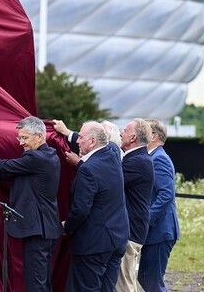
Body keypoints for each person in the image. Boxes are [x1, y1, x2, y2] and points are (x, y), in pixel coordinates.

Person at [0, 116, 63, 292]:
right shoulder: (48, 156)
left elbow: (2, 166)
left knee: (36, 284)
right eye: (20, 138)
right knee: (42, 282)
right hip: (46, 228)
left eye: (24, 138)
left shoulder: (36, 158)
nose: (21, 143)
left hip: (38, 230)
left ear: (39, 136)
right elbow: (14, 174)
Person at [64, 122, 128, 292]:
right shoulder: (113, 155)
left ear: (92, 141)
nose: (78, 141)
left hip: (94, 243)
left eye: (81, 137)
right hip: (117, 239)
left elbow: (80, 210)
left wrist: (67, 227)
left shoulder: (88, 170)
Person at [138, 119, 180, 292]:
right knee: (146, 278)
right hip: (158, 231)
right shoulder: (152, 157)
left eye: (144, 132)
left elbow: (166, 194)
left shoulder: (159, 159)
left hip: (160, 231)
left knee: (152, 281)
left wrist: (146, 219)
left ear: (153, 136)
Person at [116, 119, 154, 292]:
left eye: (124, 131)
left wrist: (80, 163)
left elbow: (111, 179)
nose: (121, 133)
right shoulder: (138, 158)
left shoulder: (138, 161)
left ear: (132, 138)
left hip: (131, 230)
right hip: (133, 228)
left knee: (124, 282)